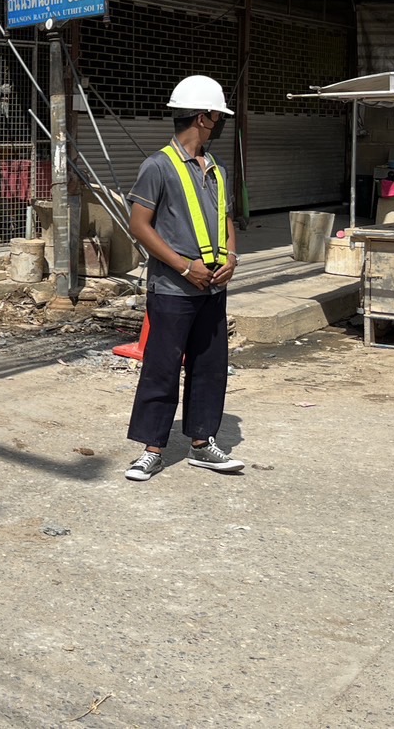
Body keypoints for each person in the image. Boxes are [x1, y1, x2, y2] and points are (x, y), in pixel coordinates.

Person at [124, 75, 246, 482]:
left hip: (212, 286)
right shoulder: (158, 166)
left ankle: (201, 443)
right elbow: (139, 225)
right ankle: (152, 449)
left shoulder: (217, 168)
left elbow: (227, 218)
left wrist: (231, 255)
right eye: (217, 115)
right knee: (162, 365)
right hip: (174, 288)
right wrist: (182, 265)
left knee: (210, 365)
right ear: (203, 117)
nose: (220, 121)